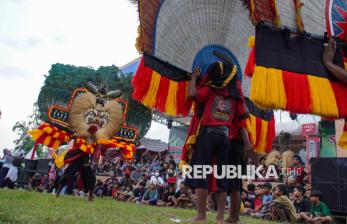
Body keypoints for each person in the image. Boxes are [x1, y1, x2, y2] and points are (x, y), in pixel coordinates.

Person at [185, 61, 245, 224]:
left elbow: (192, 94)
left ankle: (201, 215)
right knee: (222, 176)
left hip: (208, 136)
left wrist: (193, 78)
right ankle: (219, 219)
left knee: (201, 173)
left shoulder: (211, 89)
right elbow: (243, 113)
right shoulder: (234, 95)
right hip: (225, 138)